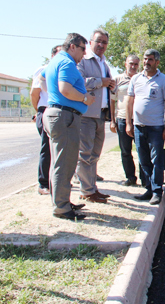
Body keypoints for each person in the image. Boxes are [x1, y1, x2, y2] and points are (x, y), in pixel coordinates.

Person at [42, 33, 95, 220]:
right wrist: (84, 98)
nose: (84, 53)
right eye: (82, 48)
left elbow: (44, 80)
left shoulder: (54, 61)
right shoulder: (67, 63)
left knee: (60, 162)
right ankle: (62, 208)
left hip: (57, 113)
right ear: (72, 46)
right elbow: (65, 88)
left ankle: (61, 200)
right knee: (64, 164)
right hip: (65, 117)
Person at [126, 49, 165, 205]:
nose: (147, 62)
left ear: (157, 62)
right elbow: (130, 102)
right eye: (145, 59)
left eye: (151, 59)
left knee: (157, 160)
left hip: (156, 128)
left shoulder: (164, 80)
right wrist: (129, 123)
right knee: (143, 160)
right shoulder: (135, 79)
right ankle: (148, 189)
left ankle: (157, 192)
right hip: (139, 127)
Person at [75, 28, 116, 204]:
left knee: (95, 154)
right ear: (91, 42)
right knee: (85, 154)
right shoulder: (83, 61)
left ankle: (92, 188)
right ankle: (86, 190)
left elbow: (105, 85)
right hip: (86, 115)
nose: (101, 45)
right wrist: (101, 82)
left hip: (100, 115)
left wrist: (110, 85)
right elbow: (78, 82)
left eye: (104, 42)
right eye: (98, 41)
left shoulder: (104, 64)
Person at [30, 45, 61, 195]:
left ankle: (58, 181)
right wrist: (39, 111)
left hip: (61, 111)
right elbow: (34, 94)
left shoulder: (63, 71)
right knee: (47, 149)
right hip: (46, 110)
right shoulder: (43, 70)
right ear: (53, 55)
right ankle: (43, 184)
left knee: (60, 149)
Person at [110, 54, 141, 186]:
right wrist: (112, 120)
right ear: (125, 64)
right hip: (122, 119)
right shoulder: (117, 80)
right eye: (130, 63)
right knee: (125, 151)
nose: (133, 66)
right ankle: (130, 178)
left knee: (142, 151)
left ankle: (145, 179)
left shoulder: (142, 79)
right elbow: (112, 101)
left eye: (135, 64)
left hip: (140, 121)